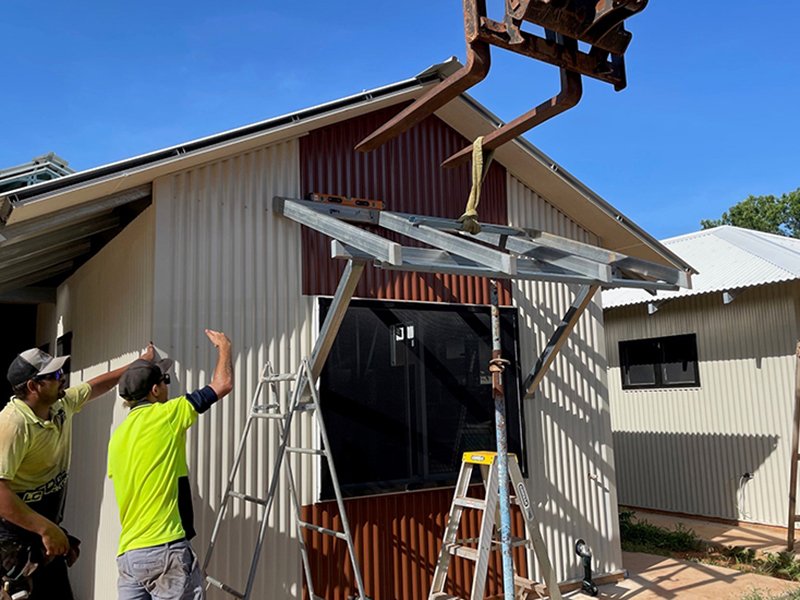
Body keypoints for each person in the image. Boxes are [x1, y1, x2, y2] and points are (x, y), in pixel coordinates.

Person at [0, 343, 156, 599]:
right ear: (33, 386)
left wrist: (139, 364)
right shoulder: (13, 425)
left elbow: (96, 385)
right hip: (14, 538)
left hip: (46, 530)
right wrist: (45, 529)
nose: (63, 380)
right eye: (55, 376)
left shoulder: (61, 407)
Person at [108, 329, 233, 600]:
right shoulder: (167, 415)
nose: (168, 385)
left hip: (130, 557)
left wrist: (145, 361)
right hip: (165, 551)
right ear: (154, 390)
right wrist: (224, 347)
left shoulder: (118, 436)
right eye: (165, 380)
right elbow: (222, 384)